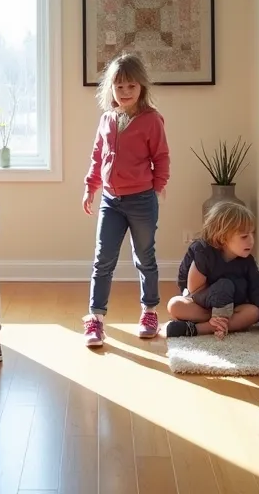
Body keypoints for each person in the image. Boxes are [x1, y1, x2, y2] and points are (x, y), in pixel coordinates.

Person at [81, 52, 170, 346]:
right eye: (119, 87)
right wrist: (90, 187)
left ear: (141, 87)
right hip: (111, 201)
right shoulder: (107, 119)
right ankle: (95, 319)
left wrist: (157, 186)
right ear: (111, 88)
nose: (125, 92)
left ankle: (149, 312)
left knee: (144, 257)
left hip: (142, 200)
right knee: (103, 259)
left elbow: (161, 156)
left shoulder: (151, 120)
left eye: (131, 86)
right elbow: (98, 156)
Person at [165, 201, 259, 339]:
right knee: (175, 305)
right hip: (203, 305)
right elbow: (194, 291)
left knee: (254, 312)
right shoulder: (204, 254)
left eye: (252, 234)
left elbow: (257, 295)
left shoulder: (248, 263)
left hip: (233, 307)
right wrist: (218, 308)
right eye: (244, 236)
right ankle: (216, 322)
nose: (251, 241)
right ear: (223, 237)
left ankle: (197, 329)